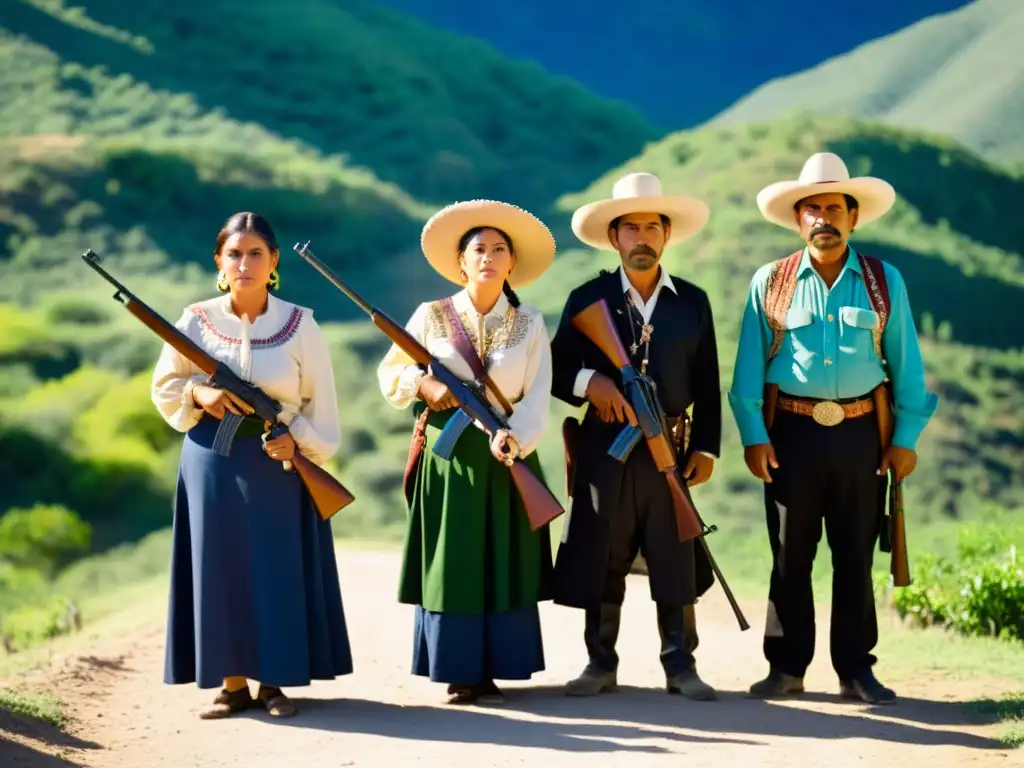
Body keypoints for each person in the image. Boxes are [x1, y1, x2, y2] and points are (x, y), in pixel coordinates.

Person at [729, 152, 939, 704]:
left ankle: (856, 670)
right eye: (813, 209)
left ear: (853, 217)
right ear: (799, 220)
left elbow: (906, 365)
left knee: (855, 556)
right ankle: (786, 668)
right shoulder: (769, 283)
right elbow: (748, 368)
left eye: (834, 208)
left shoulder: (882, 281)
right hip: (789, 437)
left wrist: (905, 439)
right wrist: (754, 434)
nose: (824, 217)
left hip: (861, 435)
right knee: (789, 556)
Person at [151, 211, 353, 719]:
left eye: (255, 253)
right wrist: (200, 390)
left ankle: (275, 684)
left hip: (277, 461)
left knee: (276, 569)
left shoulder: (300, 323)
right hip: (210, 459)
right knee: (218, 568)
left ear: (274, 262)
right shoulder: (194, 320)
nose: (244, 263)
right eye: (234, 254)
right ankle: (232, 684)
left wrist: (298, 444)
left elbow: (319, 404)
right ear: (219, 261)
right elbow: (166, 386)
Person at [376, 199, 557, 705]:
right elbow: (391, 374)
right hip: (448, 456)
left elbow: (538, 394)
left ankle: (499, 665)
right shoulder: (429, 316)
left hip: (508, 456)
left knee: (502, 558)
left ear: (512, 262)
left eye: (499, 249)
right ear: (460, 261)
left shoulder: (532, 321)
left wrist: (513, 439)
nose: (488, 257)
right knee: (454, 558)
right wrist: (423, 386)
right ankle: (457, 670)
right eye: (478, 248)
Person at [549, 172, 721, 701]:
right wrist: (591, 382)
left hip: (669, 448)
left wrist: (707, 447)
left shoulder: (692, 302)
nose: (641, 237)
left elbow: (710, 383)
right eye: (631, 228)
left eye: (652, 226)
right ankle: (599, 664)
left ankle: (680, 665)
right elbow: (554, 371)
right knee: (605, 553)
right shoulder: (587, 298)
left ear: (667, 235)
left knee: (675, 550)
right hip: (605, 449)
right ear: (613, 237)